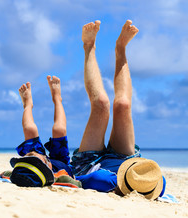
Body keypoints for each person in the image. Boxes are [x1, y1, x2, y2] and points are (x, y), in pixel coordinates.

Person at [70, 20, 166, 199]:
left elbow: (83, 179)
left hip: (90, 165)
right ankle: (120, 48)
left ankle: (88, 46)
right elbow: (157, 180)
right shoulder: (153, 183)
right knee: (122, 105)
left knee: (101, 104)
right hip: (128, 163)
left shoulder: (103, 181)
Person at [9, 76, 75, 187]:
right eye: (44, 163)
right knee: (59, 129)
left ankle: (27, 105)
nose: (30, 155)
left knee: (29, 129)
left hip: (32, 163)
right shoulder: (59, 174)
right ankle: (57, 98)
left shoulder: (29, 163)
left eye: (29, 155)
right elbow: (73, 181)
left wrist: (4, 173)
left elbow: (9, 174)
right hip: (61, 162)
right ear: (47, 166)